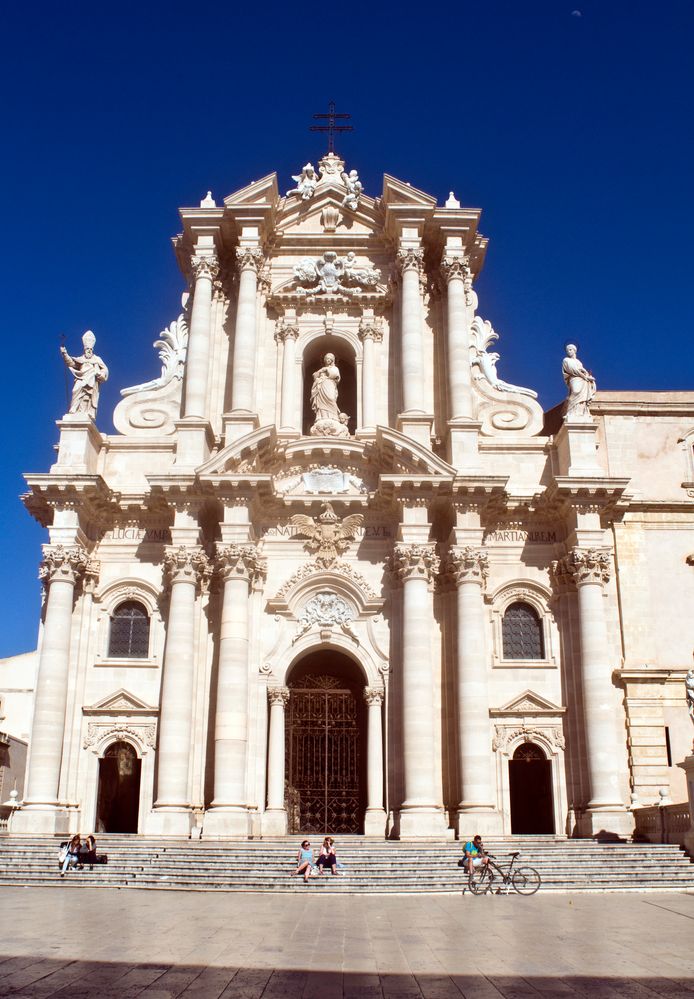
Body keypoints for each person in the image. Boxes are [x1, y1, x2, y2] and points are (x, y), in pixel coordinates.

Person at [60, 330, 109, 419]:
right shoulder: (81, 359)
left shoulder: (97, 359)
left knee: (89, 396)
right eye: (87, 349)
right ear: (84, 349)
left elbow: (105, 370)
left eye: (90, 349)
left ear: (92, 350)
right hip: (81, 378)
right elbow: (71, 363)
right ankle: (75, 409)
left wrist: (100, 374)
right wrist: (64, 353)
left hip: (92, 379)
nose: (89, 351)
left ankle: (87, 412)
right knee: (75, 391)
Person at [562, 343, 596, 419]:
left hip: (583, 380)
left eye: (570, 350)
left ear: (574, 351)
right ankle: (570, 412)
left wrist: (587, 376)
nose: (569, 352)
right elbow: (572, 370)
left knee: (583, 396)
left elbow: (582, 370)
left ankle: (580, 412)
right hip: (574, 378)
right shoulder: (566, 360)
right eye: (567, 350)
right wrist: (586, 377)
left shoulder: (578, 362)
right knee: (575, 392)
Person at [310, 353, 341, 422]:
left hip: (330, 384)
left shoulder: (334, 368)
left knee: (331, 398)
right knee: (321, 402)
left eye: (330, 359)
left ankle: (334, 417)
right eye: (327, 359)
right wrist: (319, 372)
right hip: (321, 386)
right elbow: (315, 376)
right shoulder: (321, 369)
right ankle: (321, 416)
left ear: (333, 360)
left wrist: (326, 369)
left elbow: (335, 375)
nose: (328, 360)